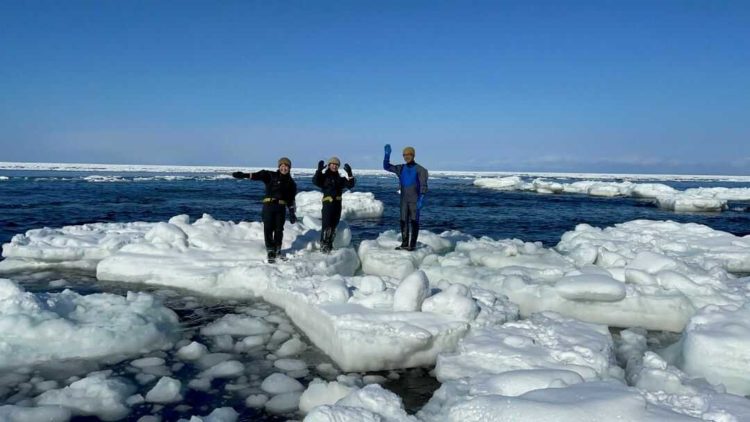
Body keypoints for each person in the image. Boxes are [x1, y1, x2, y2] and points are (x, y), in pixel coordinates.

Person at [232, 157, 297, 263]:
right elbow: (258, 175)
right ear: (279, 167)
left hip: (281, 208)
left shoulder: (291, 183)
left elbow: (290, 199)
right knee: (268, 228)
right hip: (268, 206)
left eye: (286, 166)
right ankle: (270, 251)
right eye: (282, 166)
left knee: (279, 230)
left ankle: (278, 250)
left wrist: (292, 212)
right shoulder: (270, 175)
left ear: (289, 168)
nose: (284, 168)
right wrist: (243, 175)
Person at [383, 145, 428, 251]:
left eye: (409, 154)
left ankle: (412, 245)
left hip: (415, 201)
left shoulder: (420, 170)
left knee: (414, 222)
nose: (406, 156)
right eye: (404, 155)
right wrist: (387, 155)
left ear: (413, 155)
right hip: (404, 200)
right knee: (403, 221)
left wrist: (421, 199)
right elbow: (386, 167)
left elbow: (423, 185)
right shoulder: (401, 168)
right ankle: (404, 243)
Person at [312, 156, 355, 253]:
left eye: (336, 165)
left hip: (337, 205)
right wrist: (319, 171)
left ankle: (329, 245)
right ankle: (324, 246)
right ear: (329, 165)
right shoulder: (324, 177)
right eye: (333, 164)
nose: (334, 166)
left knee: (333, 226)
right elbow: (315, 181)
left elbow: (350, 185)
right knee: (326, 225)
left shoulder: (340, 179)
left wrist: (350, 173)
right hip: (328, 204)